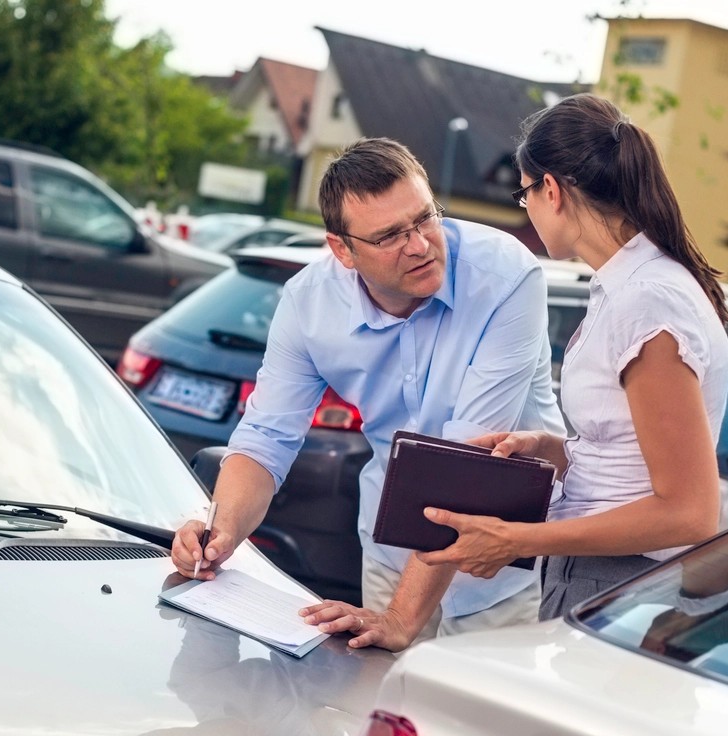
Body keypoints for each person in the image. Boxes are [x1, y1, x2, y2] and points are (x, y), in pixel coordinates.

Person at [169, 137, 565, 650]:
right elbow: (265, 438)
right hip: (392, 554)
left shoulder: (507, 276)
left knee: (475, 729)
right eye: (389, 236)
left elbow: (470, 464)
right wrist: (218, 534)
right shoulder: (309, 302)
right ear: (342, 250)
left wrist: (401, 618)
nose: (420, 244)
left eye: (425, 219)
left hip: (507, 570)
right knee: (376, 716)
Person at [415, 93, 728, 620]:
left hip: (621, 583)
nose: (528, 211)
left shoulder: (646, 300)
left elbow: (689, 512)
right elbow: (632, 457)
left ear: (551, 189)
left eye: (524, 196)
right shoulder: (633, 285)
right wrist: (552, 448)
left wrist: (517, 538)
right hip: (606, 576)